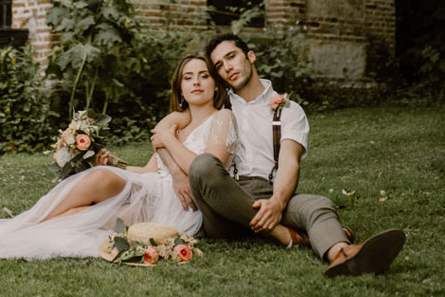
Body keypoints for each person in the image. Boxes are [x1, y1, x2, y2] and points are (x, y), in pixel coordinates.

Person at [0, 53, 245, 263]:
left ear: (215, 85)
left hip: (179, 207)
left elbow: (205, 171)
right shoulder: (176, 122)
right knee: (98, 178)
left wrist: (168, 144)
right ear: (181, 87)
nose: (196, 82)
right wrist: (115, 165)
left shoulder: (222, 120)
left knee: (77, 218)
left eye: (203, 75)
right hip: (153, 187)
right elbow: (149, 170)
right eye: (188, 77)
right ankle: (5, 232)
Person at [155, 34, 405, 278]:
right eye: (219, 65)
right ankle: (282, 234)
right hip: (222, 203)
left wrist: (277, 203)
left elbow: (289, 162)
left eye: (231, 57)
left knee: (318, 205)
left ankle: (342, 254)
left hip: (268, 194)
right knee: (204, 166)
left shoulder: (288, 110)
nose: (227, 67)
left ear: (250, 56)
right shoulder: (213, 104)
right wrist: (177, 174)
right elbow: (161, 136)